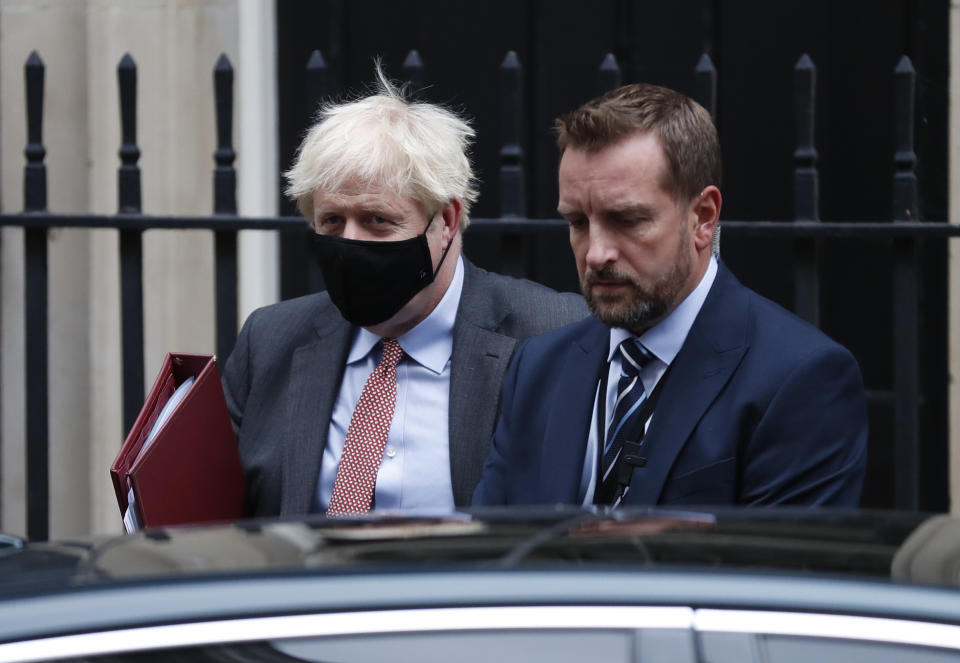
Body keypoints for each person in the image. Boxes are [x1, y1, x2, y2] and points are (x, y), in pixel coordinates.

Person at [473, 83, 868, 508]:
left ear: (703, 217)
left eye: (626, 219)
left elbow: (779, 569)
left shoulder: (800, 379)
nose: (596, 253)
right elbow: (492, 548)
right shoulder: (538, 368)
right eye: (577, 222)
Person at [222, 69, 587, 517]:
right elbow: (214, 523)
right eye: (332, 221)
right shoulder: (271, 339)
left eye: (378, 220)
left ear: (447, 221)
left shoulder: (552, 334)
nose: (350, 241)